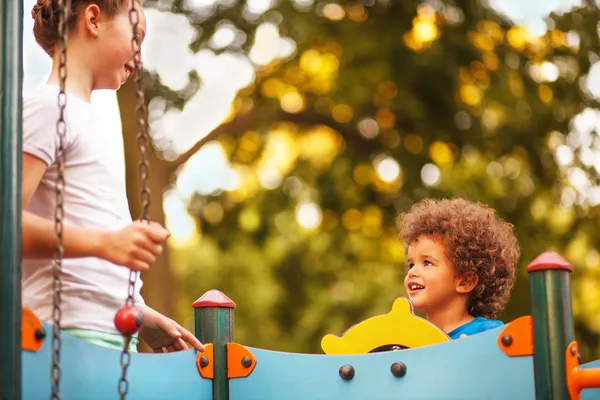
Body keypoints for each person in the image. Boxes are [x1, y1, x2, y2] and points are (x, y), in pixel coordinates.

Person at [22, 0, 203, 353]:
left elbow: (93, 269)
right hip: (64, 342)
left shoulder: (88, 121)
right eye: (136, 36)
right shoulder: (47, 108)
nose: (140, 56)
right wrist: (106, 244)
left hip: (108, 341)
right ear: (93, 20)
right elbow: (6, 223)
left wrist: (144, 318)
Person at [397, 197, 520, 339]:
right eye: (411, 264)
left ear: (464, 281)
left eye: (427, 263)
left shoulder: (489, 335)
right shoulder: (410, 341)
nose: (412, 272)